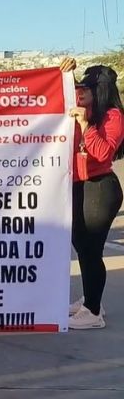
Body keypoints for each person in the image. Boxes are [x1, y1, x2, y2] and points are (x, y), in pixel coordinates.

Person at [60, 58, 124, 329]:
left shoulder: (112, 116)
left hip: (100, 187)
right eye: (78, 87)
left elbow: (103, 152)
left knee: (90, 249)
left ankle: (93, 312)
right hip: (79, 185)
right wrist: (65, 73)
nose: (79, 91)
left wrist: (86, 127)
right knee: (81, 245)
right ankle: (91, 297)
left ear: (100, 91)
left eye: (86, 88)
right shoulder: (77, 112)